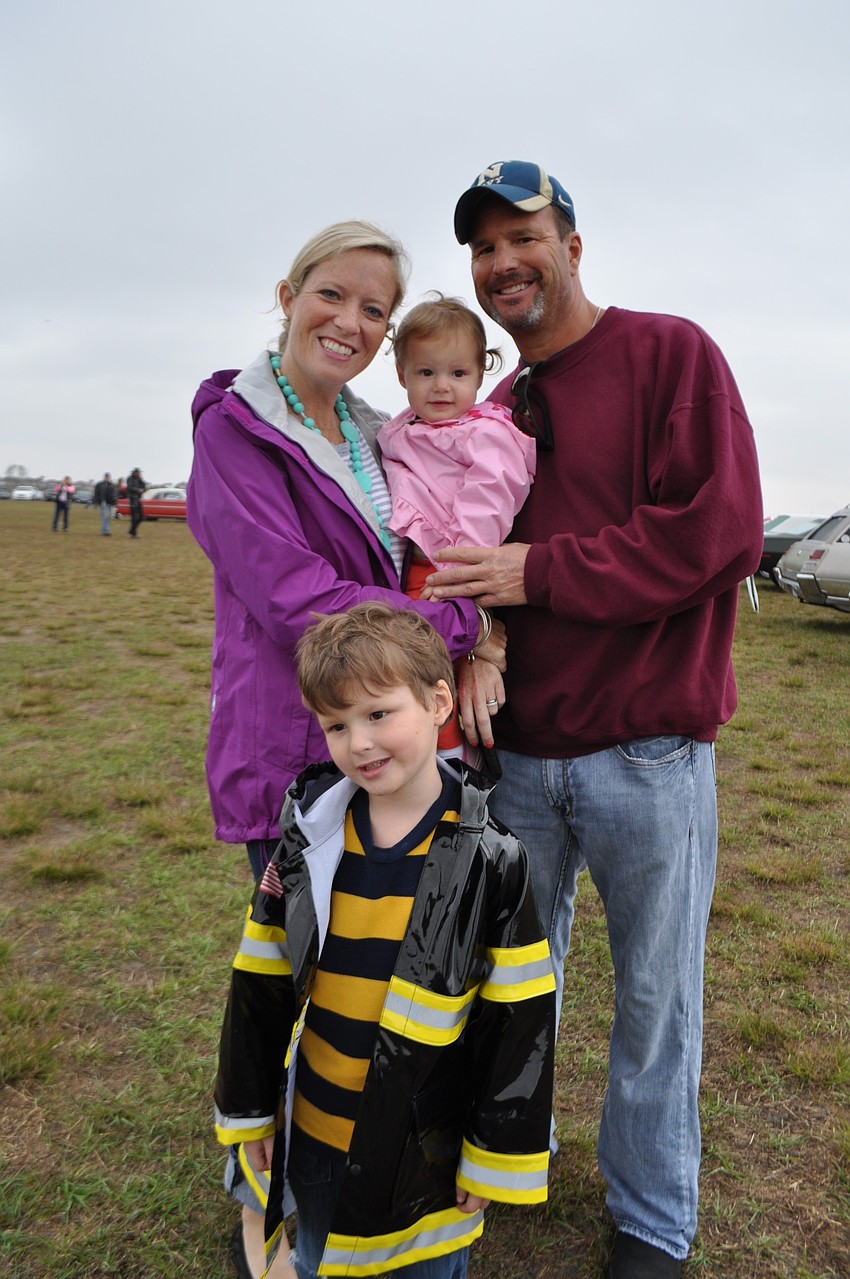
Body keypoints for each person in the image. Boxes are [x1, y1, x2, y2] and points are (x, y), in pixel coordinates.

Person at [424, 161, 764, 1278]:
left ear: (573, 244)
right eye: (481, 248)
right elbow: (471, 559)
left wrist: (540, 573)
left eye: (522, 235)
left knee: (656, 999)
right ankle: (511, 1153)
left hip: (647, 751)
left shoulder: (670, 353)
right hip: (520, 753)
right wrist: (481, 647)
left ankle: (651, 1220)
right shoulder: (497, 406)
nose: (502, 262)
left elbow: (715, 534)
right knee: (517, 986)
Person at [187, 221, 505, 1279]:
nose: (353, 322)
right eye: (335, 294)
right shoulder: (240, 430)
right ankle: (264, 1220)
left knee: (370, 991)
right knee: (291, 987)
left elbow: (434, 543)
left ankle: (373, 1194)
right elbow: (298, 602)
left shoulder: (373, 432)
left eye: (375, 310)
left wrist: (480, 624)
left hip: (381, 751)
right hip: (294, 754)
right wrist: (456, 634)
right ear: (288, 291)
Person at [214, 603, 556, 1279]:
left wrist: (494, 1155)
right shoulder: (306, 841)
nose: (359, 743)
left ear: (436, 701)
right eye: (336, 724)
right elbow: (257, 982)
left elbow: (519, 1020)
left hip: (423, 1165)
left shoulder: (492, 857)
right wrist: (250, 1108)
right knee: (313, 1257)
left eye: (377, 714)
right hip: (314, 1138)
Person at [378, 294, 536, 758]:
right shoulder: (398, 430)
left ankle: (445, 761)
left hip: (455, 570)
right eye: (426, 373)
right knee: (401, 672)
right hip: (411, 568)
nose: (442, 386)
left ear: (480, 374)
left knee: (435, 668)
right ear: (402, 374)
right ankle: (411, 752)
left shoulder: (485, 432)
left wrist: (459, 576)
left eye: (458, 373)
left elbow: (489, 497)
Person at [126, 468, 146, 537]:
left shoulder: (139, 479)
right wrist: (138, 490)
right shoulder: (129, 479)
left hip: (137, 498)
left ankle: (132, 530)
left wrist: (142, 487)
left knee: (141, 516)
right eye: (138, 473)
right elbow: (130, 487)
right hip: (132, 498)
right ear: (134, 473)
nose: (139, 474)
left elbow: (144, 486)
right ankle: (133, 532)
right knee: (135, 516)